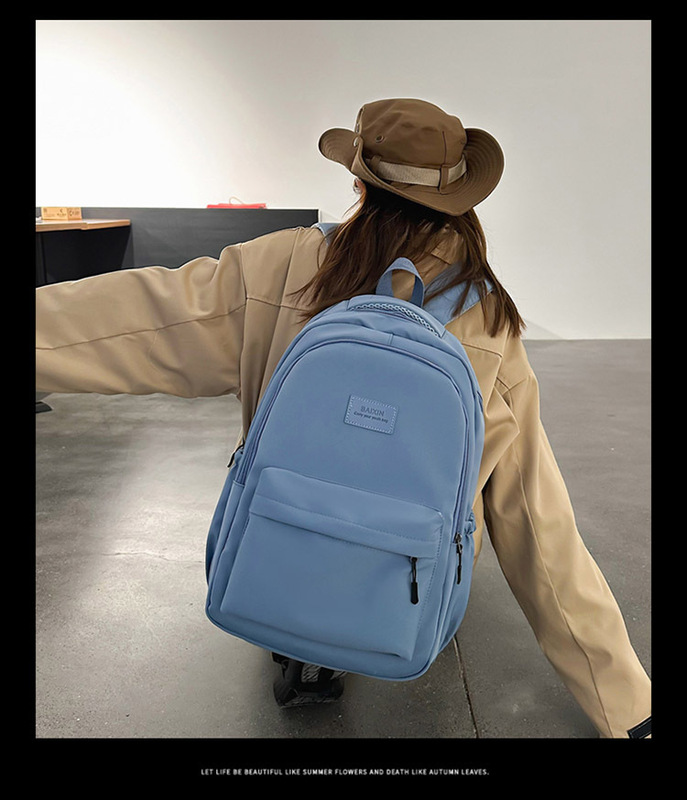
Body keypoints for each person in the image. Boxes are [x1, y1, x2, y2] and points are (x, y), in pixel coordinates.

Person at [35, 98, 651, 738]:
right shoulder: (488, 319)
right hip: (406, 584)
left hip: (279, 547)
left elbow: (133, 319)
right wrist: (629, 706)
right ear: (460, 200)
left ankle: (299, 644)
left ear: (358, 182)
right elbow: (537, 525)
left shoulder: (280, 265)